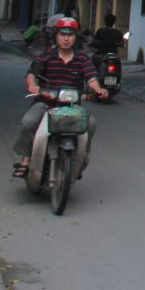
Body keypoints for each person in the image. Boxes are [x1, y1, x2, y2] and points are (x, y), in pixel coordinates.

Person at [11, 17, 108, 178]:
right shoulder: (46, 56)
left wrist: (98, 89)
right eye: (62, 34)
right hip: (45, 102)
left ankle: (81, 157)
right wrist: (32, 85)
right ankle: (25, 159)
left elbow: (91, 78)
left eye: (70, 35)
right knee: (29, 122)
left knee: (91, 124)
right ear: (56, 36)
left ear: (75, 37)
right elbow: (31, 74)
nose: (66, 38)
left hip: (72, 105)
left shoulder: (82, 58)